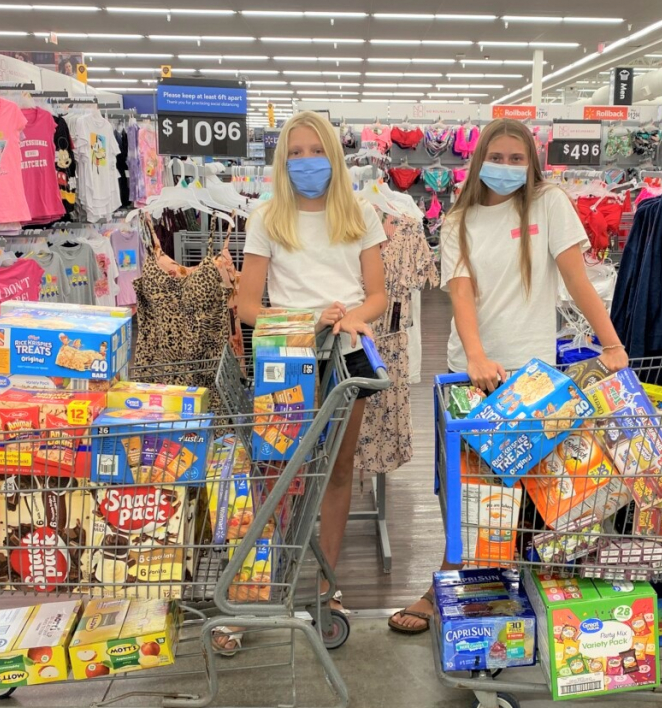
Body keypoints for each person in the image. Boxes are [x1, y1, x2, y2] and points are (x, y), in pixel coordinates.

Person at [388, 117, 629, 634]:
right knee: (466, 491)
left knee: (532, 496)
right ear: (479, 162)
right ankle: (449, 582)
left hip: (535, 379)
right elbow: (459, 290)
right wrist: (475, 356)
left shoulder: (550, 204)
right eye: (496, 158)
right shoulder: (458, 221)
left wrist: (611, 342)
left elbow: (576, 279)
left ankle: (522, 595)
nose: (505, 167)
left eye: (516, 159)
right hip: (470, 377)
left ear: (532, 164)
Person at [226, 111, 387, 651]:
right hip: (286, 360)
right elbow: (248, 307)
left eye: (313, 151)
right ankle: (256, 590)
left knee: (337, 472)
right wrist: (304, 321)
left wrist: (352, 317)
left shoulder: (361, 214)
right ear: (281, 160)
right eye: (293, 152)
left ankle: (326, 586)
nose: (304, 161)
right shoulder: (267, 217)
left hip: (346, 357)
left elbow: (378, 294)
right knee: (274, 475)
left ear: (333, 157)